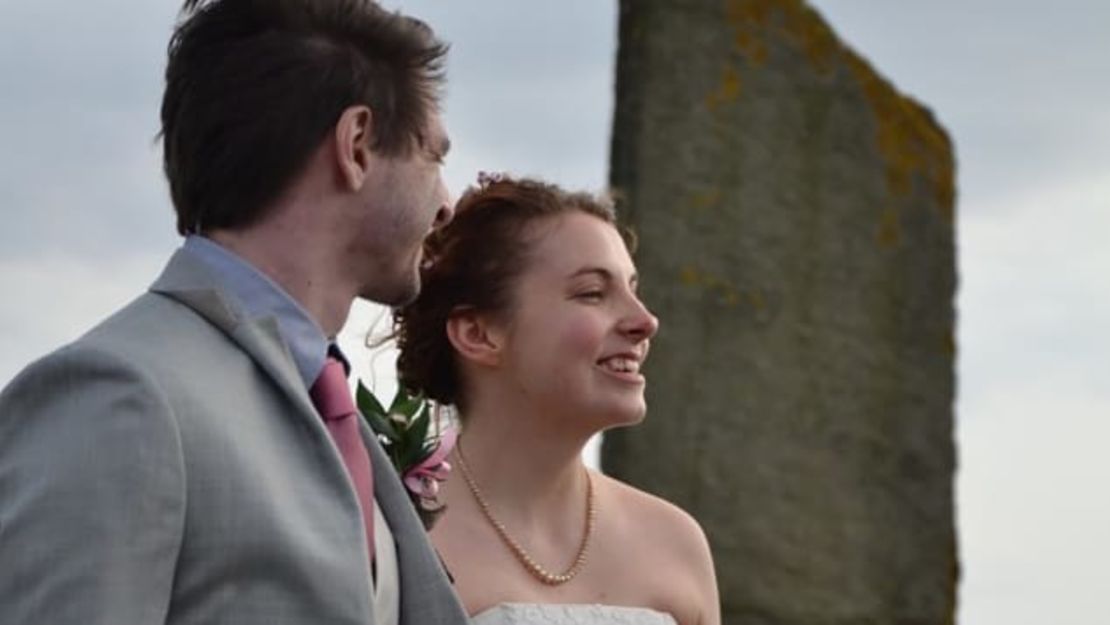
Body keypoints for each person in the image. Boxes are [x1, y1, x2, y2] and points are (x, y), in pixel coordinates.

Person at [0, 1, 468, 623]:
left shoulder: (330, 410)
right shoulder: (119, 394)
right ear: (355, 145)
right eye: (434, 157)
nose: (447, 204)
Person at [392, 176, 721, 625]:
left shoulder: (676, 542)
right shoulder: (392, 534)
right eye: (592, 293)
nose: (645, 321)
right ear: (478, 333)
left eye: (633, 289)